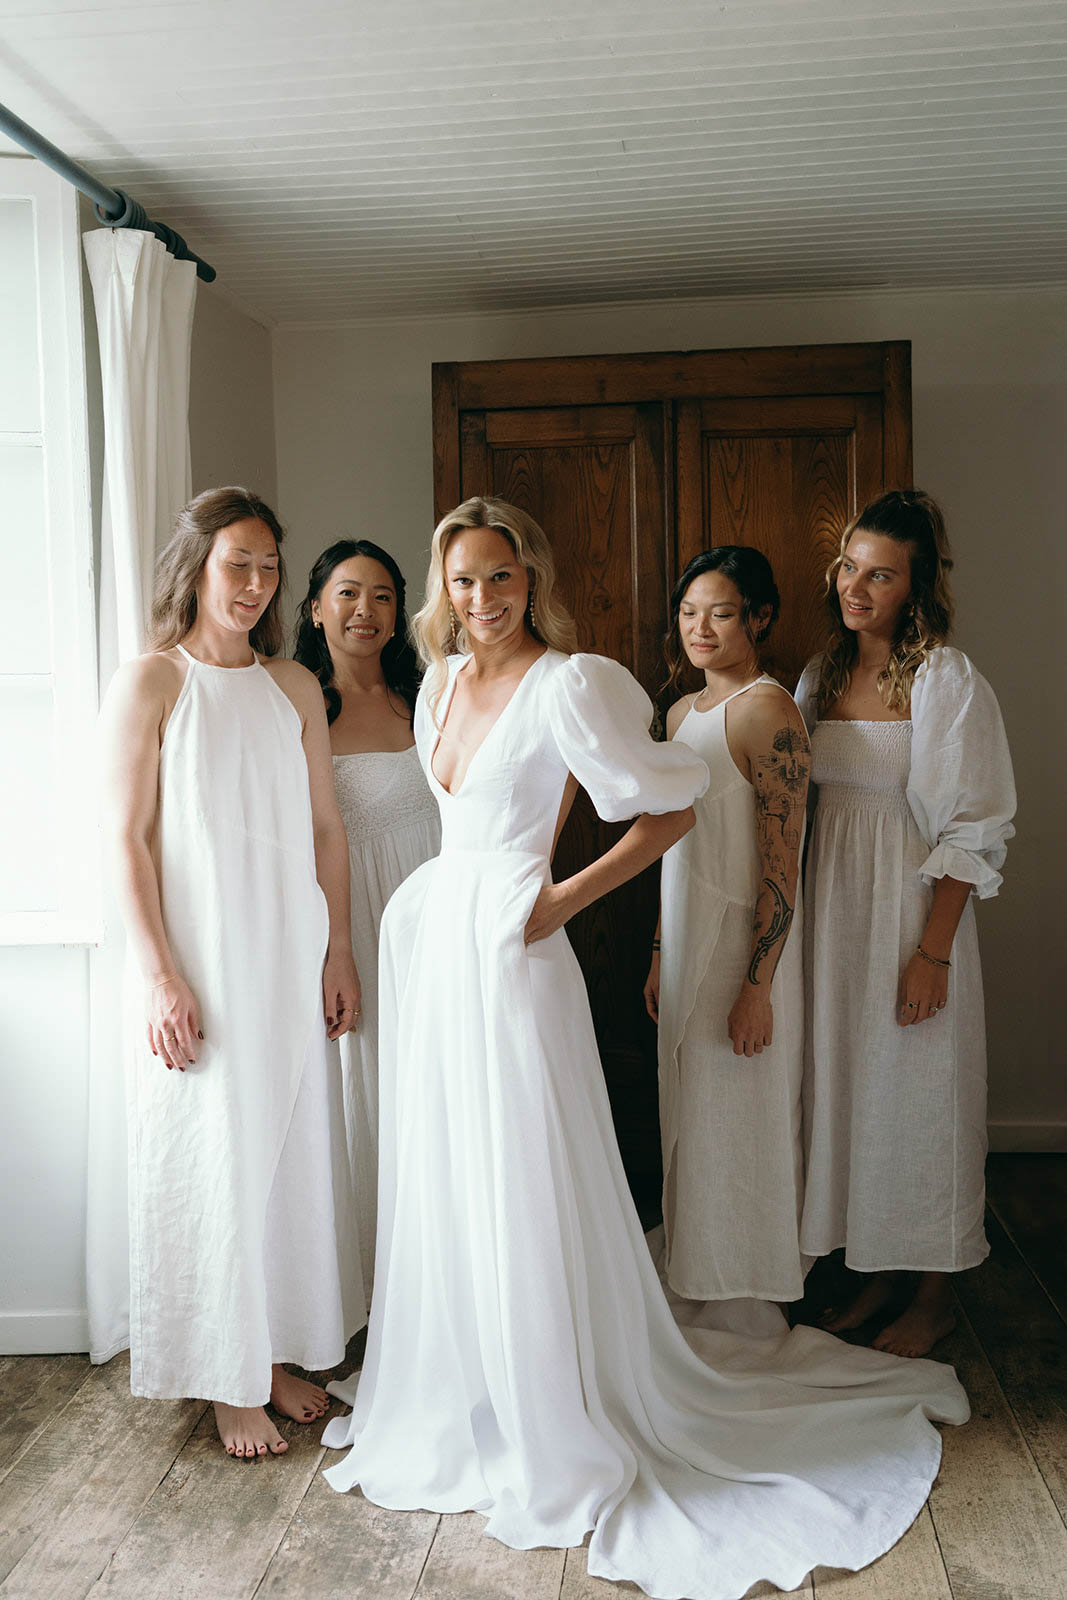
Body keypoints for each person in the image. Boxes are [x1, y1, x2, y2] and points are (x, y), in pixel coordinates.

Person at [320, 495, 968, 1600]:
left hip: (513, 952)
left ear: (532, 576)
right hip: (431, 946)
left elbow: (663, 810)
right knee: (450, 1171)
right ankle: (465, 1380)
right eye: (464, 580)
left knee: (523, 1174)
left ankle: (553, 1396)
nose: (482, 599)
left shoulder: (570, 683)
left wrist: (554, 900)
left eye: (502, 576)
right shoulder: (434, 680)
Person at [99, 487, 363, 1459]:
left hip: (286, 951)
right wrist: (160, 976)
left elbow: (327, 830)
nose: (254, 585)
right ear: (198, 568)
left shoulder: (293, 686)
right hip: (201, 960)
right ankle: (221, 1374)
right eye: (236, 564)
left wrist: (337, 948)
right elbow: (124, 839)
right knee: (211, 1157)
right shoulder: (152, 683)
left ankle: (272, 1351)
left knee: (283, 1155)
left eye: (267, 567)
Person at [796, 489, 1016, 1358]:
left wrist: (932, 953)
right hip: (832, 916)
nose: (856, 586)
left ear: (914, 587)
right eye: (848, 566)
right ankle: (876, 1271)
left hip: (908, 916)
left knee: (921, 1098)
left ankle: (932, 1294)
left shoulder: (944, 679)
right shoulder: (818, 676)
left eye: (879, 574)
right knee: (853, 1094)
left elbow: (975, 825)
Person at [646, 548, 809, 1325]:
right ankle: (695, 1265)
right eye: (687, 613)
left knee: (737, 1118)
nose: (698, 628)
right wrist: (655, 951)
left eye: (718, 612)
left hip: (742, 950)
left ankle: (741, 1291)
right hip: (684, 940)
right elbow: (668, 842)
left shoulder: (767, 711)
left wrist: (757, 987)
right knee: (687, 1116)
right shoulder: (681, 715)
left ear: (758, 618)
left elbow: (783, 865)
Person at [294, 540, 440, 1313]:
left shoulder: (431, 696)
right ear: (315, 608)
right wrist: (332, 950)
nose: (365, 611)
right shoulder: (297, 706)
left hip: (438, 914)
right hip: (359, 924)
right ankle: (380, 1294)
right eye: (347, 594)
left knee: (441, 1092)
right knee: (374, 1096)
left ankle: (444, 1277)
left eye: (382, 596)